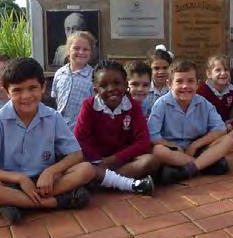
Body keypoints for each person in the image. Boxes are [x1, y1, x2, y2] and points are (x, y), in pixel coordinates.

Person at [0, 57, 96, 225]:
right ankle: (49, 203)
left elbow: (76, 154)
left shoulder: (52, 117)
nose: (26, 96)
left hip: (46, 183)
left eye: (32, 88)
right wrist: (20, 178)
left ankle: (15, 203)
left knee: (87, 170)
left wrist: (50, 172)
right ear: (7, 92)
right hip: (9, 183)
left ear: (43, 87)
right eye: (17, 90)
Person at [74, 60, 157, 194]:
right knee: (80, 164)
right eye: (103, 85)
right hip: (96, 161)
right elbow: (80, 139)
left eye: (117, 83)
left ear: (125, 85)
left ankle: (103, 182)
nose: (111, 89)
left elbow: (143, 142)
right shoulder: (89, 106)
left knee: (150, 161)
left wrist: (113, 160)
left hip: (122, 161)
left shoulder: (133, 106)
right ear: (95, 89)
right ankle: (122, 183)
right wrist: (99, 160)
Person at [148, 59, 233, 185]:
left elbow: (220, 128)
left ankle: (188, 169)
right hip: (174, 150)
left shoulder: (204, 103)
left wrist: (195, 145)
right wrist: (174, 146)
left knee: (229, 140)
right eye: (179, 81)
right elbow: (153, 135)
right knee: (158, 151)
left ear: (197, 84)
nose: (185, 86)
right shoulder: (161, 104)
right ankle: (204, 164)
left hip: (198, 147)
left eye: (190, 81)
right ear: (169, 84)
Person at [197, 55, 233, 140]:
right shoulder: (203, 91)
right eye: (218, 70)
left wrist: (232, 125)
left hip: (226, 126)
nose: (223, 73)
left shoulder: (231, 90)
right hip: (208, 128)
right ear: (209, 73)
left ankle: (227, 139)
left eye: (226, 70)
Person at [51, 31, 95, 130]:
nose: (81, 52)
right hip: (60, 128)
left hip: (82, 130)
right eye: (76, 48)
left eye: (85, 49)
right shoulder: (59, 73)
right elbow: (57, 99)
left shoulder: (93, 77)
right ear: (68, 50)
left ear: (91, 52)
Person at [146, 44, 173, 113]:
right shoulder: (145, 88)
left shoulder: (174, 89)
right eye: (156, 68)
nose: (161, 72)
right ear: (149, 69)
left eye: (165, 68)